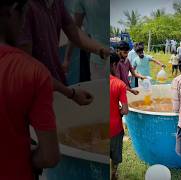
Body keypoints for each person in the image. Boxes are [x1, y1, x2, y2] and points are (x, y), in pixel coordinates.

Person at [0, 0, 60, 179]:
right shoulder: (31, 72)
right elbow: (49, 157)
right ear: (12, 11)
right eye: (24, 14)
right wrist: (28, 158)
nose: (24, 24)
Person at [17, 0, 109, 105]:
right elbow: (28, 69)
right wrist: (70, 93)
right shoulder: (25, 8)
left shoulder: (56, 3)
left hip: (56, 82)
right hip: (36, 92)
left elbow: (73, 31)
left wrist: (102, 50)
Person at [63, 0, 109, 80]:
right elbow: (74, 30)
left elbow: (74, 30)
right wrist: (67, 59)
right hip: (98, 59)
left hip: (110, 60)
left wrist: (67, 59)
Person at [109, 52, 128, 180]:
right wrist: (119, 109)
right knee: (115, 157)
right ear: (114, 64)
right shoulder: (119, 84)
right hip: (115, 129)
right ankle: (113, 175)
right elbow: (125, 110)